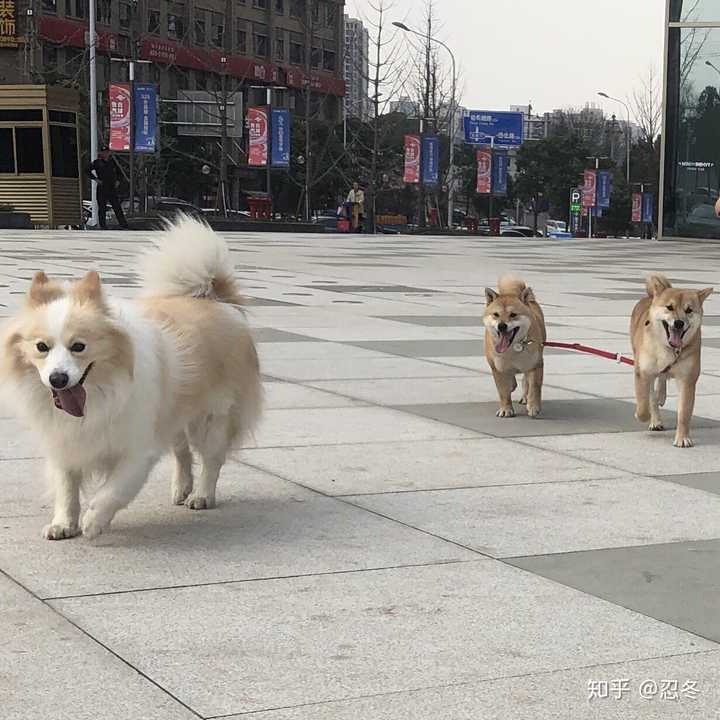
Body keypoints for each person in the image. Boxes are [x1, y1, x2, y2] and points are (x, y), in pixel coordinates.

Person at [86, 145, 129, 230]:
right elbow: (87, 170)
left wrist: (118, 181)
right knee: (102, 207)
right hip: (102, 187)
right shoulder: (97, 162)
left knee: (116, 206)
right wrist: (95, 179)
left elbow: (120, 173)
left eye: (107, 152)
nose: (105, 154)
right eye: (103, 152)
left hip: (112, 187)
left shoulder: (112, 162)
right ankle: (103, 226)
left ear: (109, 152)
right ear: (101, 153)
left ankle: (124, 225)